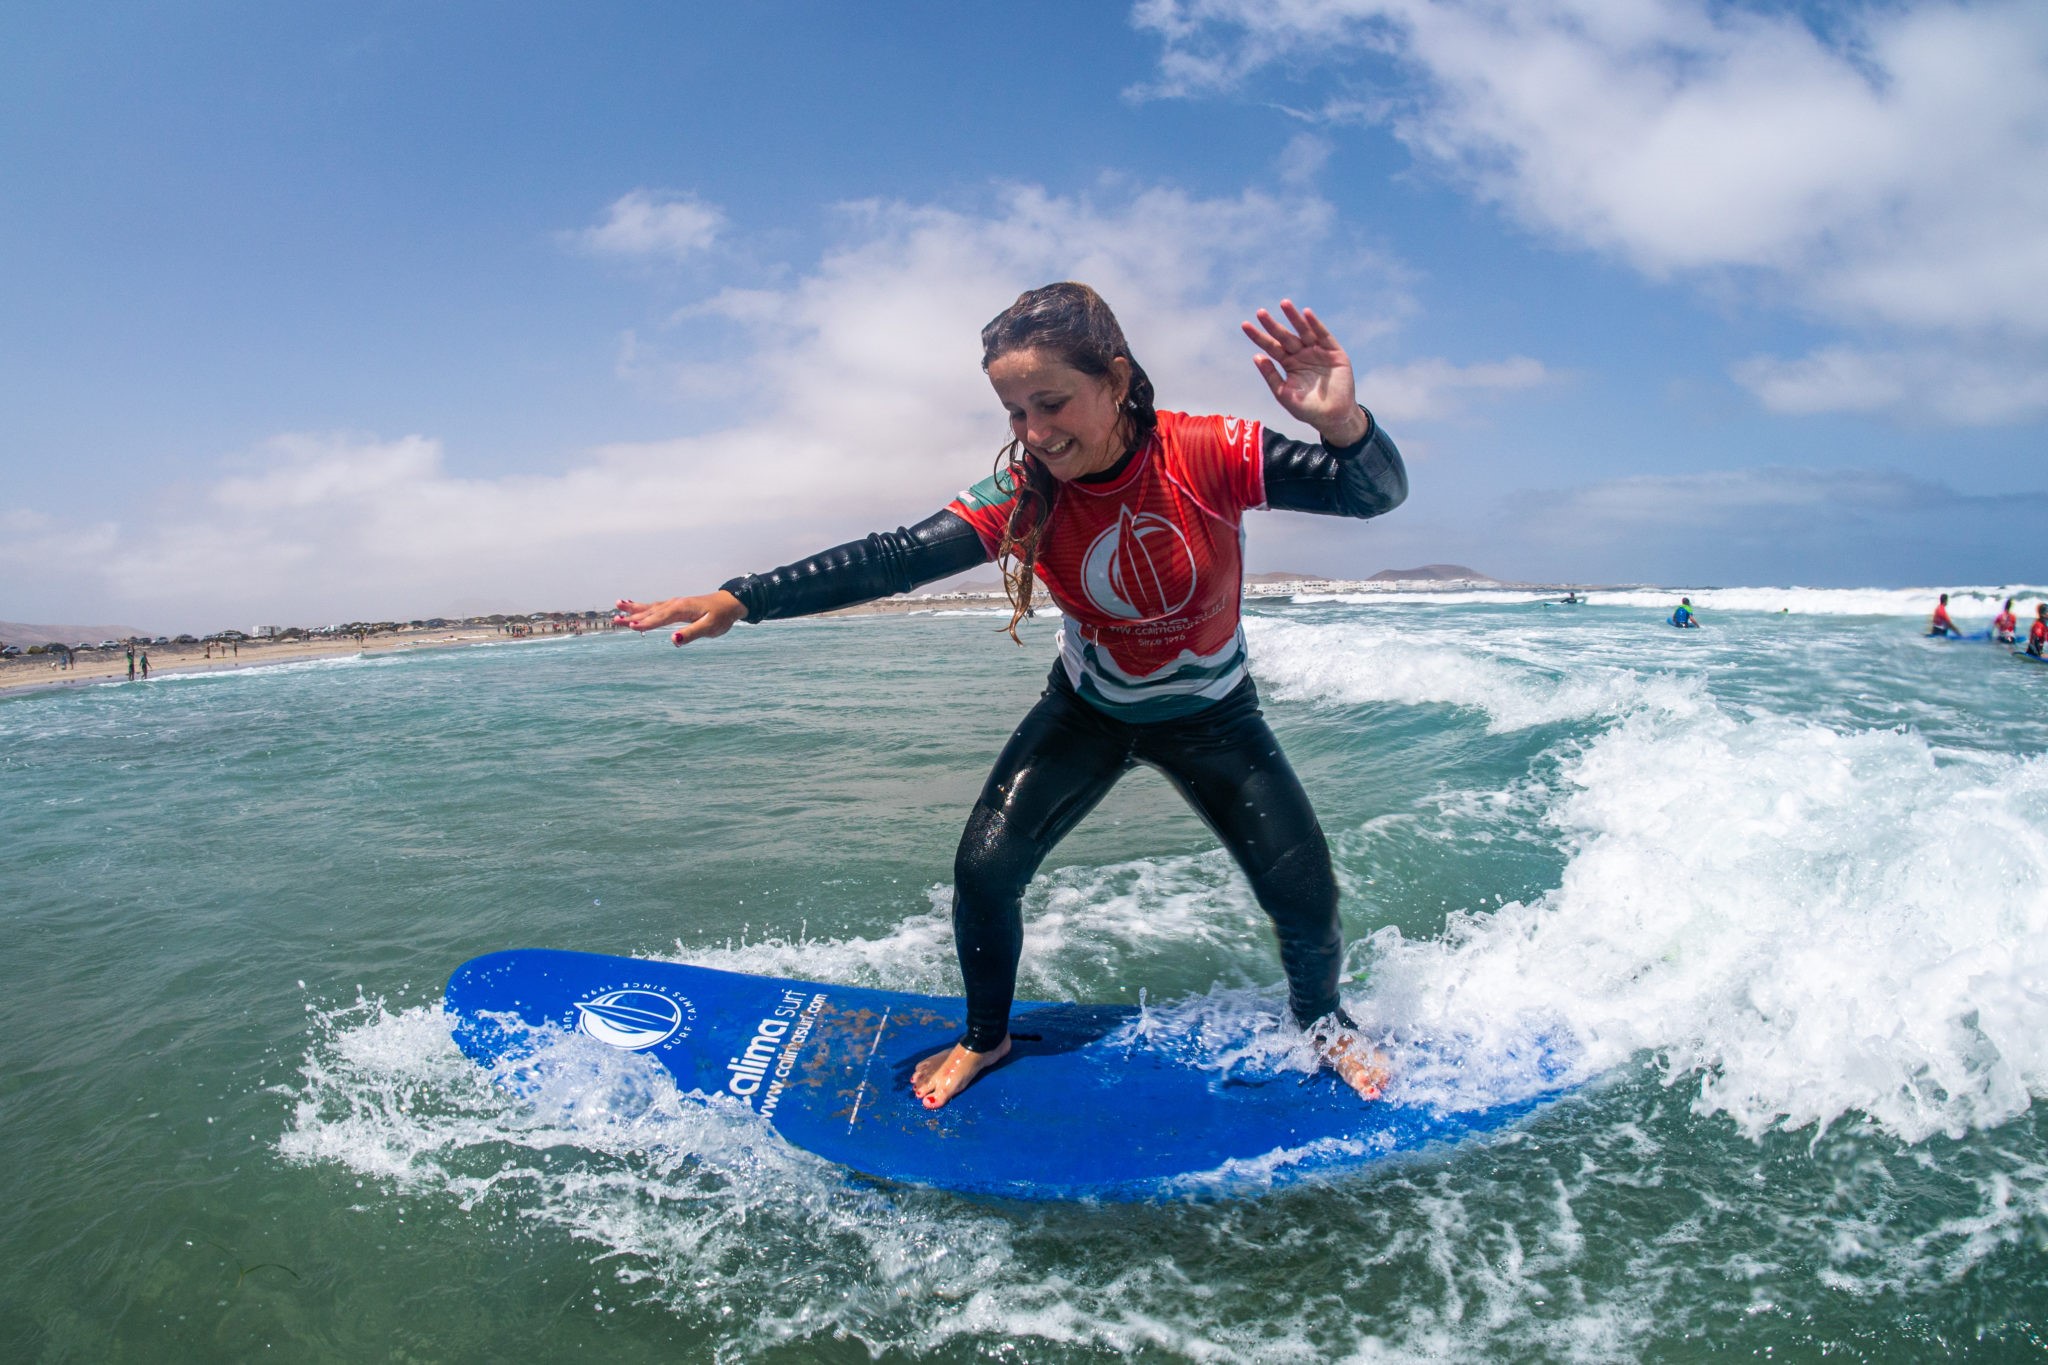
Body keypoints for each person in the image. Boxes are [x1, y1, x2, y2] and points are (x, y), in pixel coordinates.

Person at [617, 285, 1408, 1110]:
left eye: (1051, 402)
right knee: (985, 870)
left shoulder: (1208, 452)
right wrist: (744, 598)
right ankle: (985, 1035)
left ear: (1116, 377)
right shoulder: (1028, 493)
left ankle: (1325, 1024)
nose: (1035, 432)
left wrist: (1343, 425)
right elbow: (893, 559)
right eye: (1015, 412)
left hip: (1215, 718)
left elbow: (1370, 493)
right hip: (1090, 712)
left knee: (1303, 889)